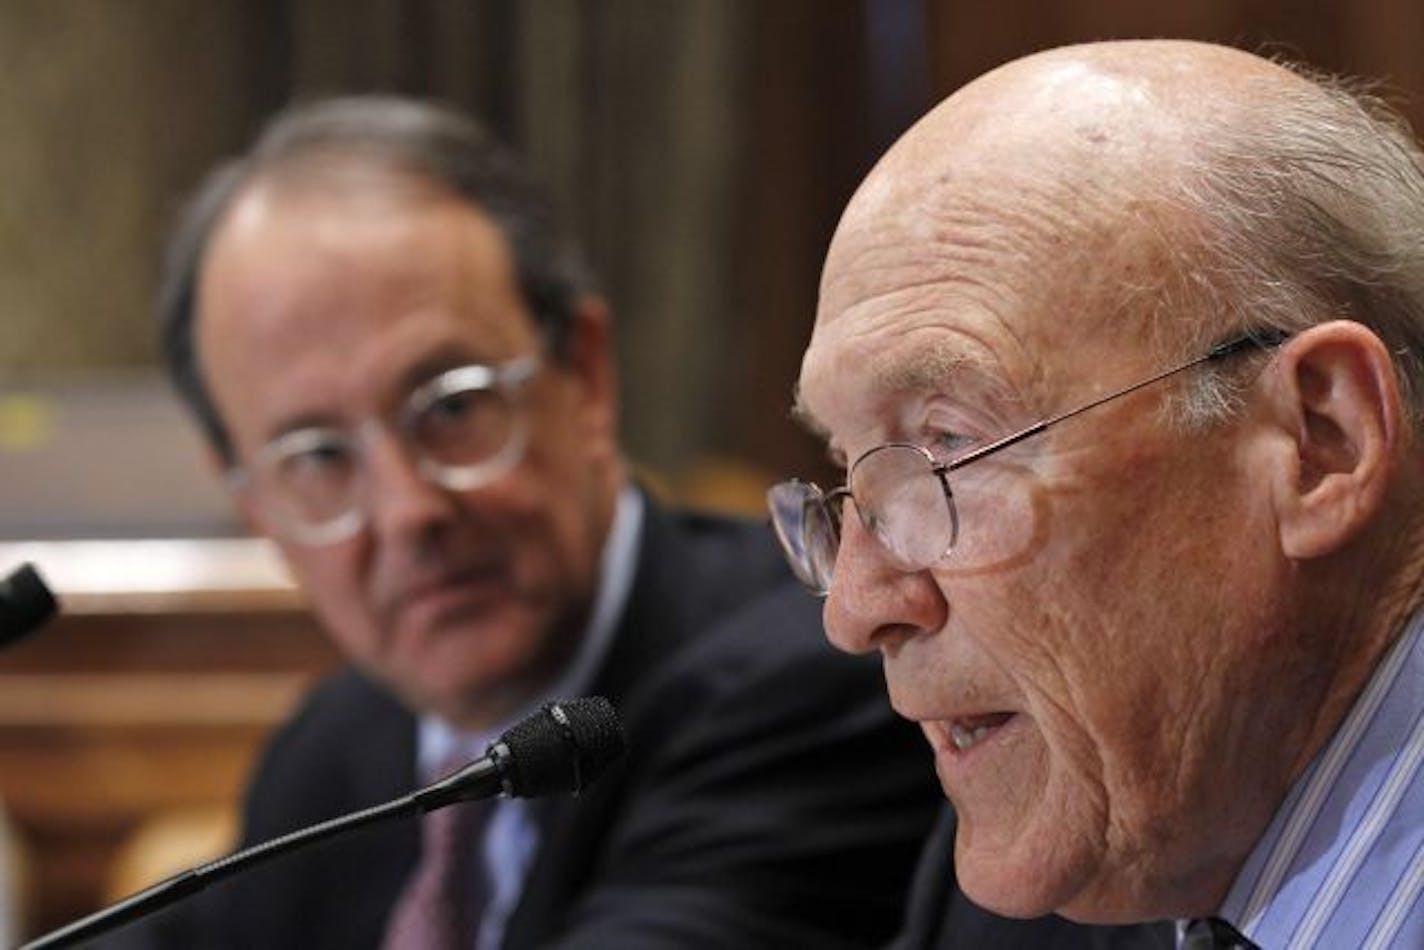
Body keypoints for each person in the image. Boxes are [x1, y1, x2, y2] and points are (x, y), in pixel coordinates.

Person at [113, 95, 943, 950]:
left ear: (585, 377)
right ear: (255, 505)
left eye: (453, 407)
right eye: (318, 458)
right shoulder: (336, 748)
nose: (408, 511)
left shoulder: (807, 683)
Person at [768, 39, 1424, 949]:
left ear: (1322, 441)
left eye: (950, 447)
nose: (855, 609)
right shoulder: (1016, 912)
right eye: (855, 480)